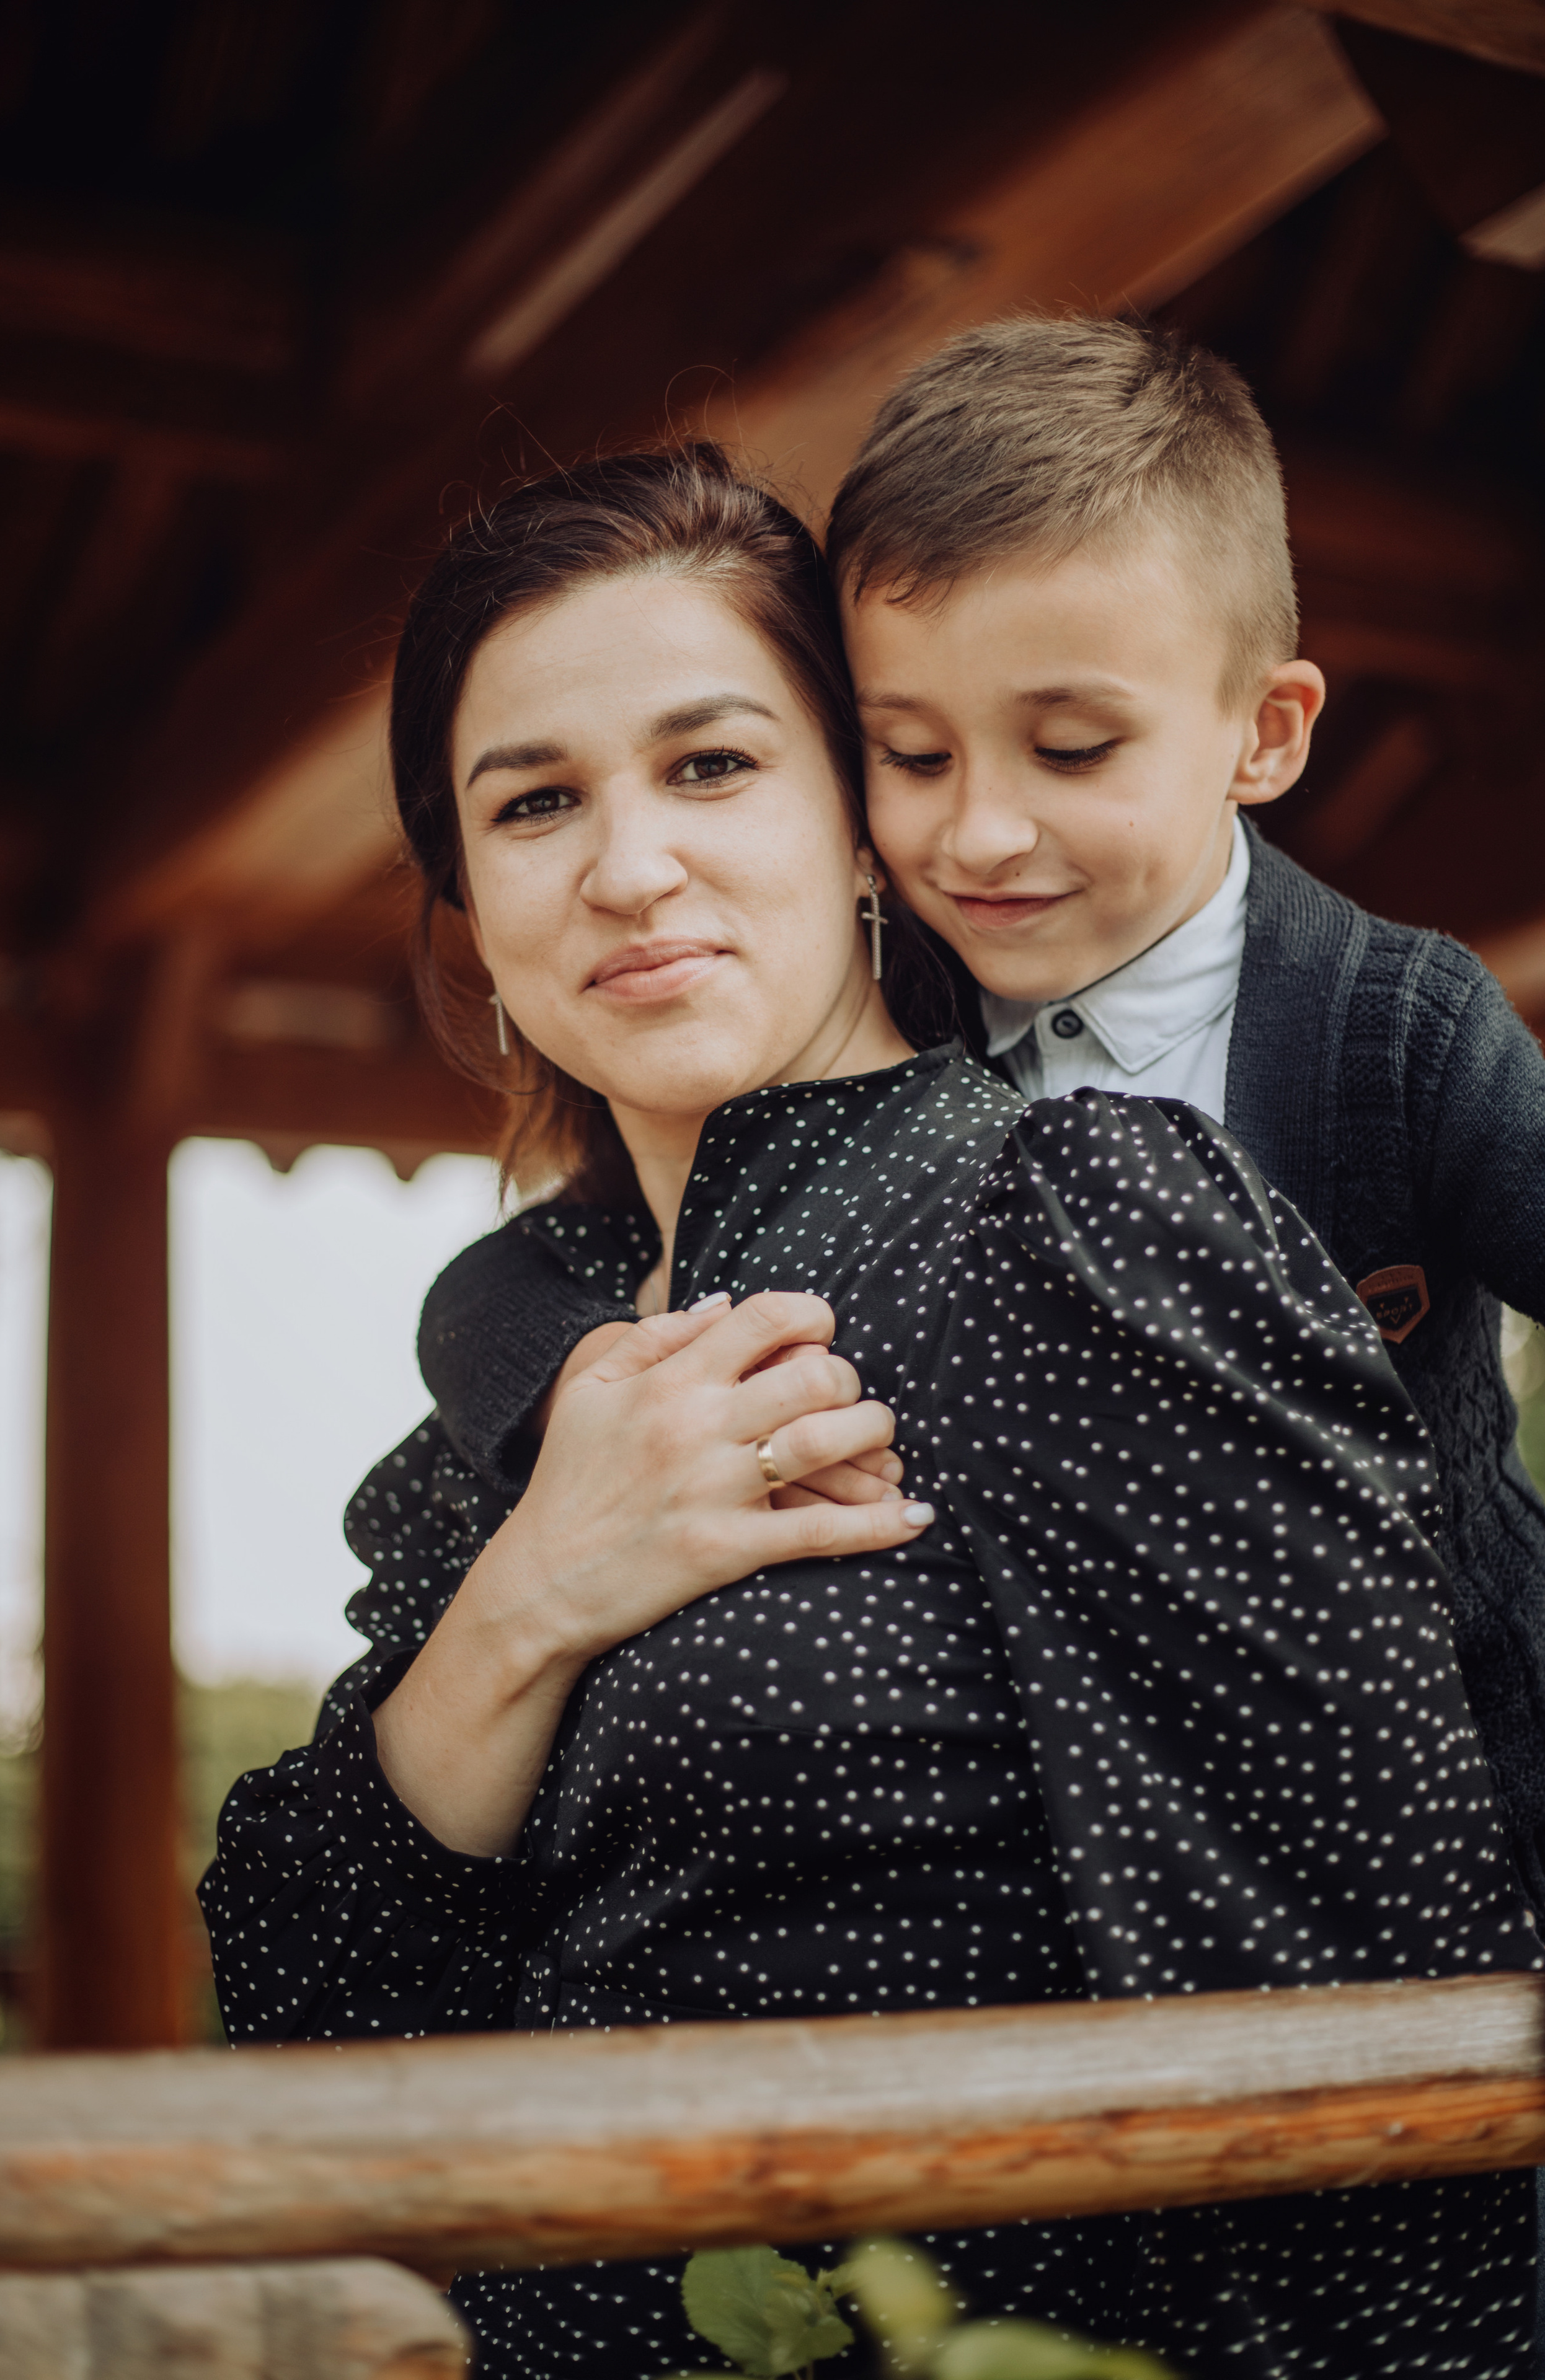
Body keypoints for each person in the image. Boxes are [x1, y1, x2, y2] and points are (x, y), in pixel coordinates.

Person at [200, 445, 1539, 2379]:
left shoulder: (1085, 1234)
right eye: (534, 802)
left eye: (711, 764)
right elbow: (302, 2011)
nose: (627, 867)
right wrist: (531, 1598)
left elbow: (1392, 2063)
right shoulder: (499, 1420)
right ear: (475, 909)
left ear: (857, 828)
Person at [421, 316, 1545, 1922]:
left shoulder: (1389, 1027)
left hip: (1476, 1742)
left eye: (1070, 749)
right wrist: (574, 1413)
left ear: (1267, 733)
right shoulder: (909, 1021)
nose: (982, 833)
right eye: (911, 755)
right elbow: (531, 1275)